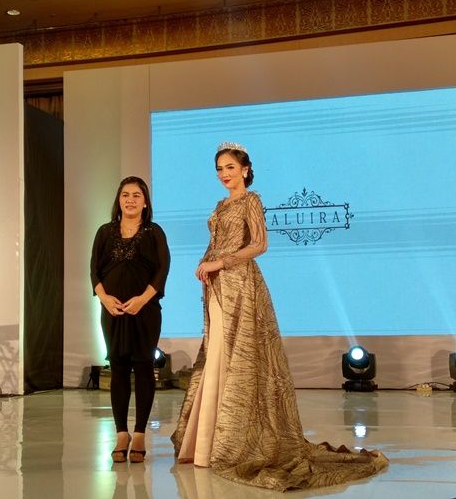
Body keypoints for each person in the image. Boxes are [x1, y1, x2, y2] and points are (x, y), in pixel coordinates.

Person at [171, 142, 388, 490]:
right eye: (219, 169)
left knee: (238, 359)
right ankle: (208, 443)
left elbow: (260, 244)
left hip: (241, 284)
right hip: (217, 286)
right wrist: (205, 265)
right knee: (217, 355)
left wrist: (220, 263)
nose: (224, 174)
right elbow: (217, 242)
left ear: (245, 170)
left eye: (230, 167)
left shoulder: (251, 201)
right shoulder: (221, 204)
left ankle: (229, 443)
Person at [90, 176, 170, 464]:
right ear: (119, 200)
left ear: (145, 202)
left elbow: (162, 270)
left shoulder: (154, 232)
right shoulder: (104, 232)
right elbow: (94, 271)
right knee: (119, 369)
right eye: (125, 194)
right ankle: (121, 433)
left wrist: (142, 299)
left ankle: (139, 434)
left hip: (145, 310)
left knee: (144, 367)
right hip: (113, 311)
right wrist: (104, 298)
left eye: (137, 195)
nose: (131, 200)